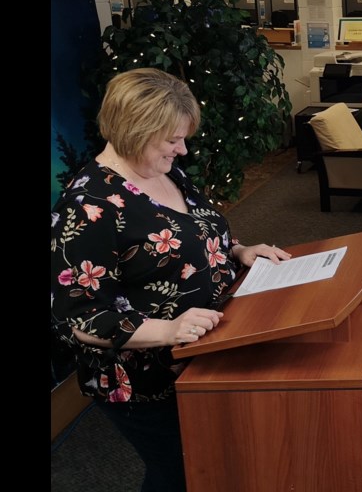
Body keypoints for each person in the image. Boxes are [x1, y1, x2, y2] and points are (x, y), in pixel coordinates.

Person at [50, 68, 292, 492]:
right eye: (172, 139)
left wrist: (238, 251)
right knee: (181, 472)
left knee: (211, 460)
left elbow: (196, 231)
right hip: (147, 379)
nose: (182, 150)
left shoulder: (160, 170)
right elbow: (81, 318)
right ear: (133, 129)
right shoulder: (89, 205)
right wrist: (171, 329)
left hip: (204, 353)